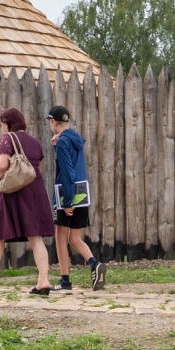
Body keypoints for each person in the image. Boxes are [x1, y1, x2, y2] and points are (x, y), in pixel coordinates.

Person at [0, 108, 55, 295]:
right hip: (35, 190)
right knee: (36, 236)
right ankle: (43, 281)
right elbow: (38, 168)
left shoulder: (7, 139)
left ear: (8, 123)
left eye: (2, 124)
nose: (1, 127)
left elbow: (2, 165)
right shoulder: (33, 141)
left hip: (13, 192)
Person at [47, 105, 104, 291]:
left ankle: (65, 281)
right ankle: (94, 264)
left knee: (61, 236)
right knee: (75, 237)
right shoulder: (74, 138)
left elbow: (67, 171)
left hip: (68, 193)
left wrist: (67, 201)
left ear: (53, 122)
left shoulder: (63, 142)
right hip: (82, 192)